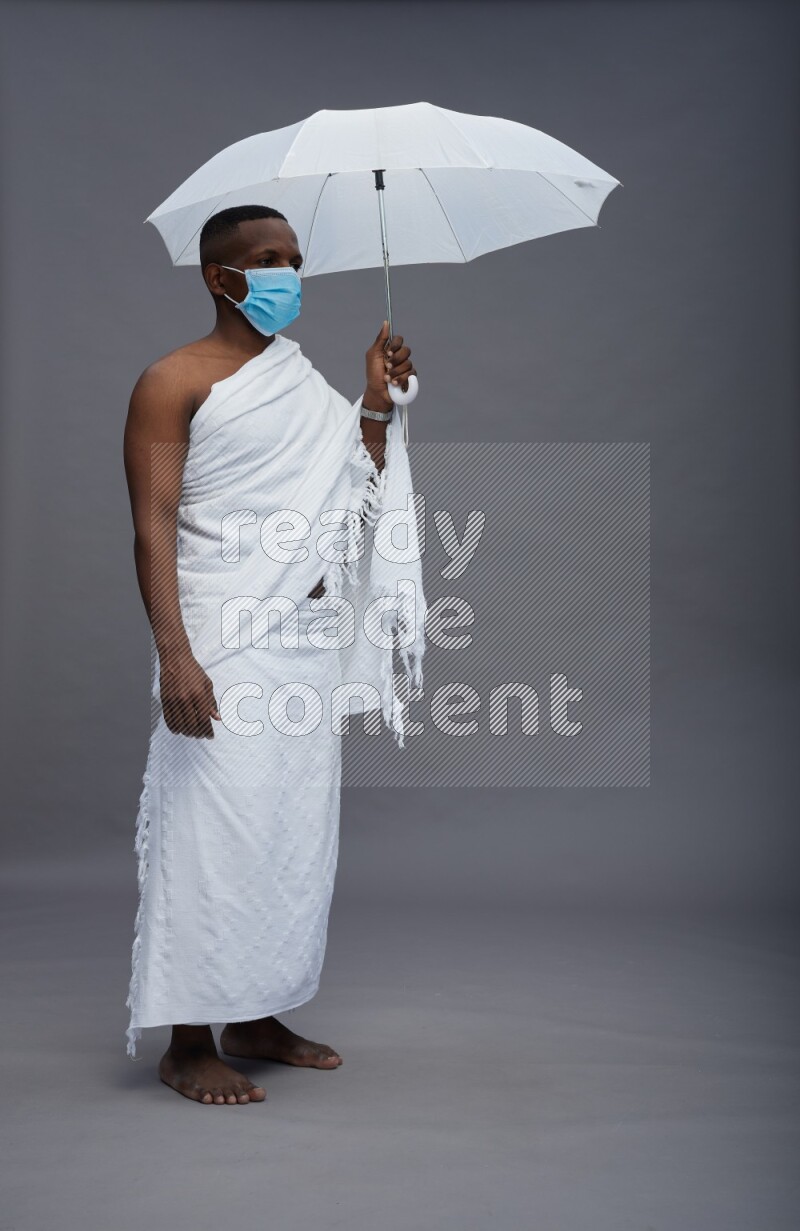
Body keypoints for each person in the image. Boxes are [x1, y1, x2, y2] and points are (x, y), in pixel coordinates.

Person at [122, 204, 424, 1105]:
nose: (287, 271)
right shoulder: (171, 381)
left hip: (303, 645)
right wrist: (175, 655)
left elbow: (352, 490)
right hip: (221, 641)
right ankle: (187, 1038)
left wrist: (375, 399)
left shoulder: (299, 381)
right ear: (221, 278)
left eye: (294, 257)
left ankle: (257, 1013)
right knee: (214, 833)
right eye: (266, 259)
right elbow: (152, 527)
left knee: (291, 830)